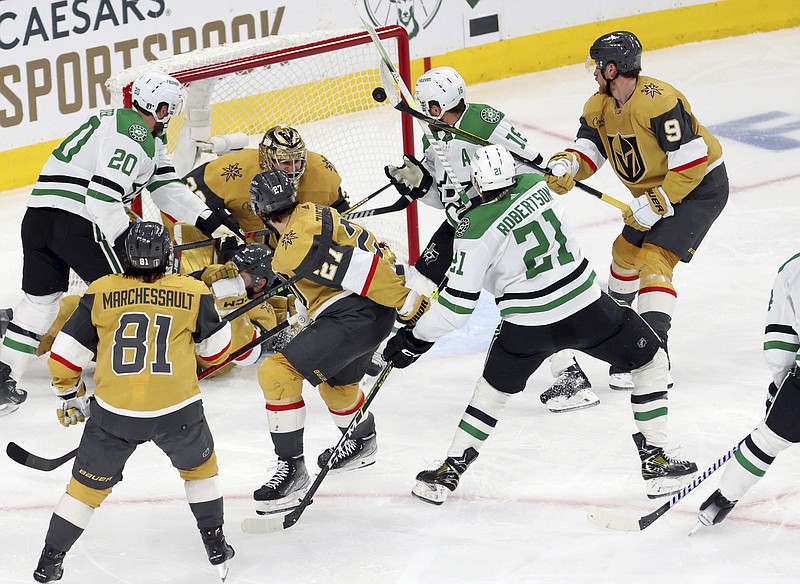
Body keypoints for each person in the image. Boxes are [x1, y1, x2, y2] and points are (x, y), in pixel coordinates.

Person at [382, 145, 698, 505]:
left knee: (491, 394)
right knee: (652, 362)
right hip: (588, 311)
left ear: (478, 183)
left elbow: (456, 311)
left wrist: (414, 339)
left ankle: (449, 472)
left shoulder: (471, 232)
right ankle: (654, 460)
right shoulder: (535, 184)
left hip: (527, 327)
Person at [0, 70, 243, 416]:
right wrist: (126, 241)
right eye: (165, 109)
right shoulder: (135, 133)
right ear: (152, 106)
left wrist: (213, 223)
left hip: (39, 218)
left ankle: (2, 377)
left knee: (41, 304)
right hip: (78, 223)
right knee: (127, 296)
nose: (170, 116)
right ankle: (132, 379)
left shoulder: (130, 129)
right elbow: (101, 199)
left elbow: (167, 189)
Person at [383, 65, 599, 412]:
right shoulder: (432, 136)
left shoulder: (484, 120)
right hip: (464, 222)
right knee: (423, 276)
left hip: (494, 220)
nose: (425, 110)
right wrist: (420, 186)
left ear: (442, 102)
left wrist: (497, 198)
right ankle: (385, 352)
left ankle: (569, 374)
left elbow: (534, 164)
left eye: (429, 104)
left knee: (521, 301)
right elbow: (443, 198)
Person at [32, 222, 235, 583]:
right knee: (200, 473)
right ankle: (215, 543)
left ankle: (50, 560)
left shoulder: (101, 291)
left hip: (114, 416)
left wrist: (69, 396)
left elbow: (64, 357)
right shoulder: (193, 290)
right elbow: (217, 352)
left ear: (126, 257)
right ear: (168, 257)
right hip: (179, 411)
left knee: (85, 490)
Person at [545, 30, 728, 393]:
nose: (593, 73)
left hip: (698, 189)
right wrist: (567, 165)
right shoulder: (598, 107)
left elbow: (692, 161)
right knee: (623, 255)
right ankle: (622, 336)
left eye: (598, 66)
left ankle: (653, 353)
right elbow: (588, 151)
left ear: (612, 69)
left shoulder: (658, 101)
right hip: (656, 193)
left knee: (655, 259)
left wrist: (659, 202)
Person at [247, 169, 429, 514]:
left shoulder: (292, 248)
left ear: (260, 210)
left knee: (276, 373)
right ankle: (361, 441)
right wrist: (304, 314)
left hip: (356, 313)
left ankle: (292, 471)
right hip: (367, 312)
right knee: (338, 386)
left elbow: (363, 268)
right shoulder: (316, 212)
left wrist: (407, 304)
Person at [694, 253, 800, 531]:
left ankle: (721, 501)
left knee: (768, 440)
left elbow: (780, 347)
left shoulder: (794, 267)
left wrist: (780, 389)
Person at [174, 124, 350, 271]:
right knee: (190, 230)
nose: (294, 168)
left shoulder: (321, 171)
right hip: (245, 252)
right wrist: (225, 228)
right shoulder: (234, 170)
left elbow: (340, 209)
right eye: (286, 162)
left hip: (293, 251)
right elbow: (183, 193)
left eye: (298, 161)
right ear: (266, 159)